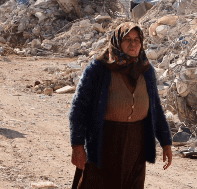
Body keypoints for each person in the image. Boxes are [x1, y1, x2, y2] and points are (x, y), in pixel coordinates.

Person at [69, 22, 173, 189]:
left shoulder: (146, 69)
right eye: (127, 39)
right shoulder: (99, 68)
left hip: (136, 143)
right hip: (104, 141)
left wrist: (166, 143)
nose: (133, 44)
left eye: (136, 39)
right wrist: (77, 145)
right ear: (117, 41)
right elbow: (78, 108)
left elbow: (155, 108)